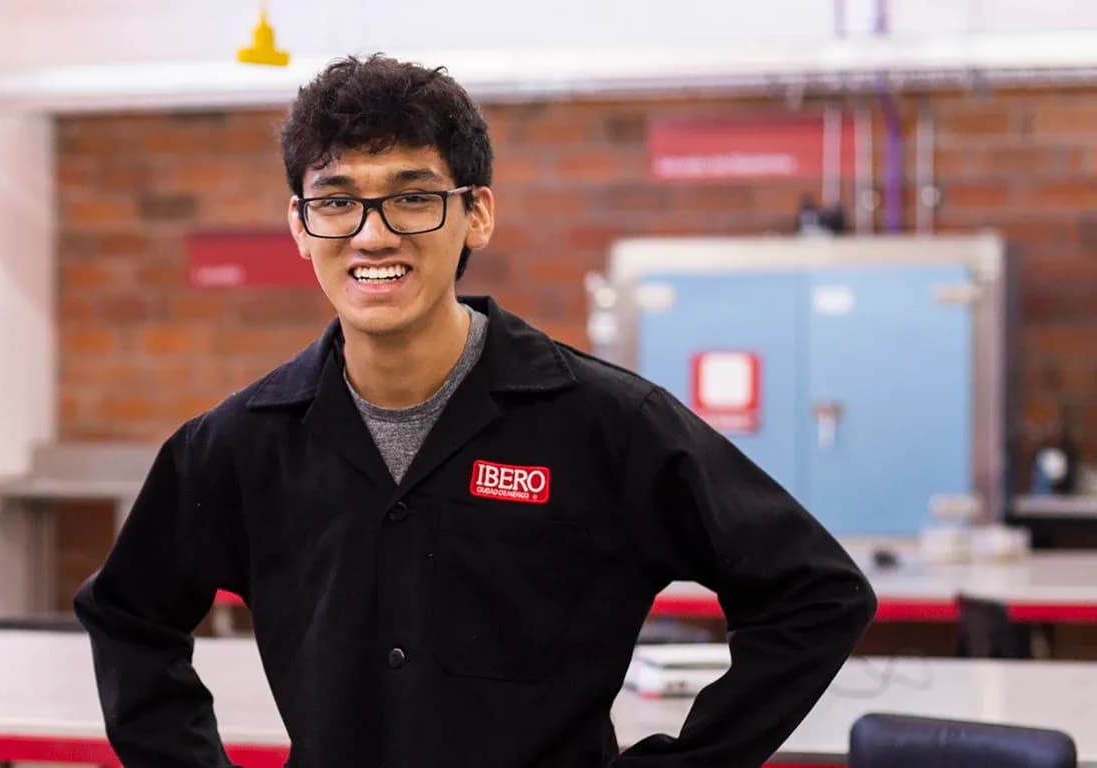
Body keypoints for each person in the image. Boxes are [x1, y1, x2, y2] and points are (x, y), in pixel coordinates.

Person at [73, 55, 877, 767]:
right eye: (337, 201)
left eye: (413, 197)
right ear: (299, 224)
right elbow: (129, 617)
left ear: (477, 213)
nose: (372, 234)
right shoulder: (241, 445)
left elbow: (816, 595)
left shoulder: (607, 425)